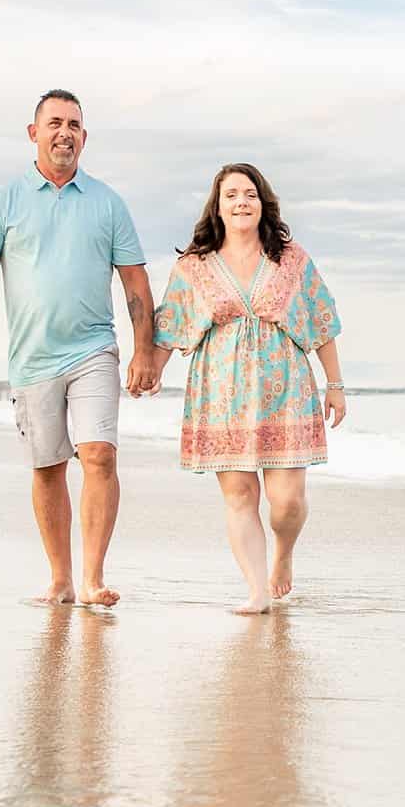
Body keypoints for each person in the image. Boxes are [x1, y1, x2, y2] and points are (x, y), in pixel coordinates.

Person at [0, 89, 155, 606]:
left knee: (99, 456)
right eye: (55, 123)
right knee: (47, 469)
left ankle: (92, 578)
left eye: (75, 125)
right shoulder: (3, 202)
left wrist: (143, 351)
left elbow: (135, 283)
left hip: (94, 350)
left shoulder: (108, 203)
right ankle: (61, 579)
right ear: (34, 133)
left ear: (84, 138)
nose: (65, 133)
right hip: (33, 357)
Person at [133, 163, 345, 614]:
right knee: (240, 495)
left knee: (285, 503)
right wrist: (151, 369)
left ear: (262, 202)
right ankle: (256, 591)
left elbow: (322, 319)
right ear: (218, 206)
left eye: (248, 194)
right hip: (221, 391)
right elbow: (171, 323)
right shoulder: (195, 266)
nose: (241, 203)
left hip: (286, 389)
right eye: (231, 195)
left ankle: (282, 555)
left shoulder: (291, 258)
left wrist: (336, 384)